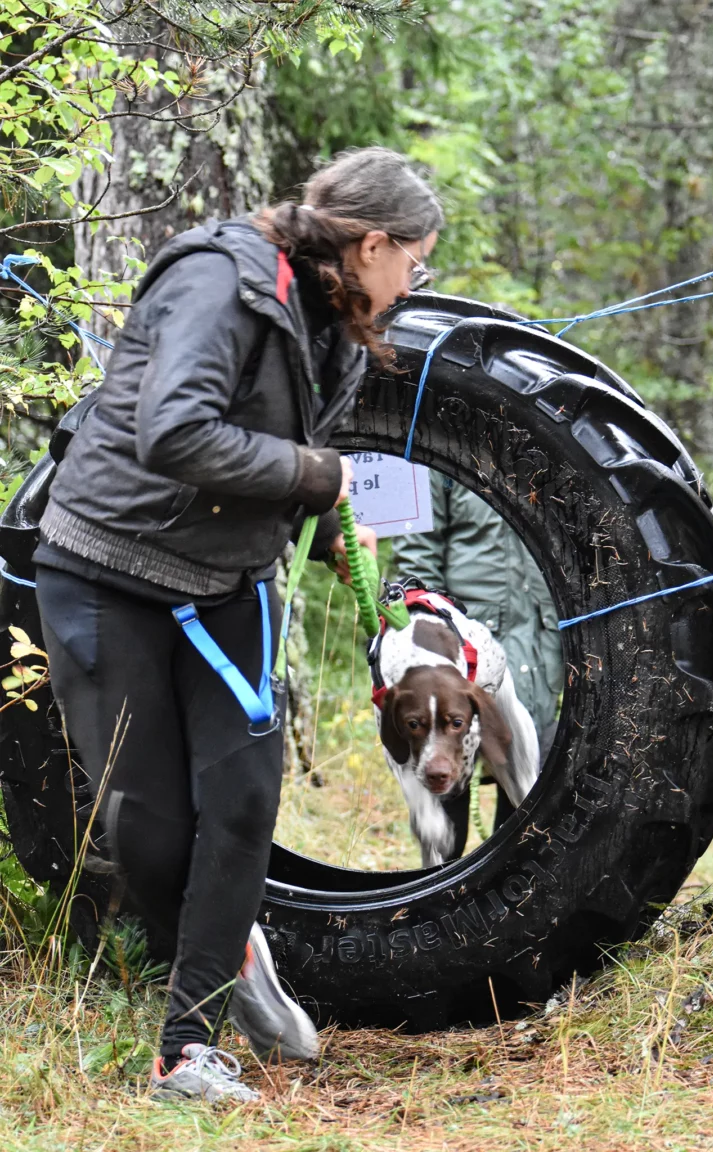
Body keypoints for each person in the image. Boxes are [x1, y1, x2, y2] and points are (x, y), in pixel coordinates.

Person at [33, 147, 443, 1103]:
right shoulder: (223, 280)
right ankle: (226, 942)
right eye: (413, 262)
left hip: (227, 580)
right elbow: (174, 433)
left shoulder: (338, 320)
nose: (415, 282)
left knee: (248, 800)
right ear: (371, 242)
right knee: (155, 831)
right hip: (108, 570)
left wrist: (337, 533)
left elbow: (290, 453)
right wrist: (320, 478)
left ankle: (188, 1049)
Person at [390, 472, 562, 851]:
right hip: (459, 653)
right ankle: (438, 900)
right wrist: (432, 643)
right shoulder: (442, 452)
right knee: (444, 788)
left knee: (527, 795)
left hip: (541, 649)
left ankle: (514, 904)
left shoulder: (553, 453)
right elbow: (416, 557)